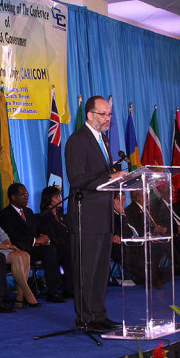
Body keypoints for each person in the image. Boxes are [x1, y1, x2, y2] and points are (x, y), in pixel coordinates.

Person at [64, 95, 125, 332]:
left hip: (103, 215)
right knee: (86, 270)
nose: (108, 118)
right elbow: (77, 179)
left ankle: (99, 314)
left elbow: (102, 178)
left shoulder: (104, 140)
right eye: (104, 114)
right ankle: (86, 318)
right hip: (86, 216)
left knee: (100, 271)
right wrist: (111, 177)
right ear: (90, 115)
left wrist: (116, 189)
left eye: (110, 114)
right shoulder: (77, 141)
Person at [0, 183, 67, 302]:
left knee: (63, 247)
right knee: (50, 250)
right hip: (20, 248)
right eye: (23, 195)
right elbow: (12, 236)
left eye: (27, 194)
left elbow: (40, 228)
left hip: (35, 248)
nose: (26, 197)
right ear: (13, 197)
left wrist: (45, 236)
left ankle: (69, 287)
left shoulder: (28, 212)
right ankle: (53, 291)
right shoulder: (5, 214)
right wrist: (35, 240)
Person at [36, 185, 75, 298]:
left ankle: (71, 287)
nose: (59, 198)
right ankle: (55, 289)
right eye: (56, 196)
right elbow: (51, 235)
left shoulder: (60, 215)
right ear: (49, 199)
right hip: (53, 247)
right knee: (67, 249)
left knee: (71, 248)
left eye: (59, 196)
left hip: (63, 246)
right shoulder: (44, 216)